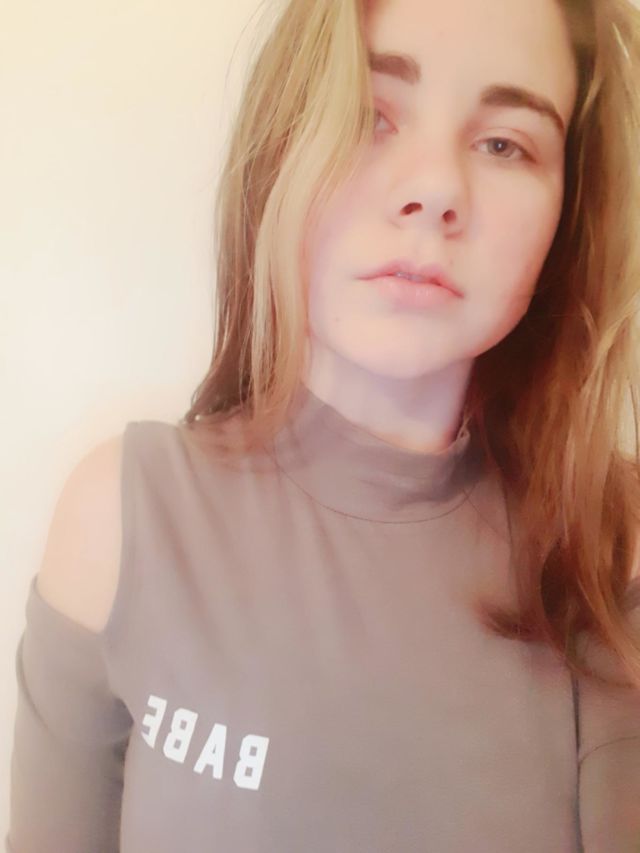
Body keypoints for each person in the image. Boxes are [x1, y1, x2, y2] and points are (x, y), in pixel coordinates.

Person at [7, 0, 640, 849]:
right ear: (283, 145)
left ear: (569, 210)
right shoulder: (120, 519)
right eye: (371, 114)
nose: (435, 189)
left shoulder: (609, 551)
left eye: (504, 144)